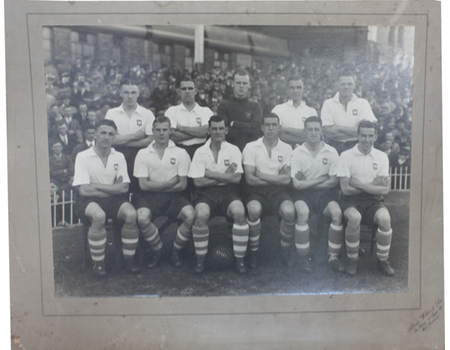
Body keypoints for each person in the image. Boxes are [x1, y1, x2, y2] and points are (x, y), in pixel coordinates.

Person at [72, 119, 140, 276]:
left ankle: (128, 259)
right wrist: (112, 189)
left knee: (131, 214)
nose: (106, 137)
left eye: (111, 134)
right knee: (98, 215)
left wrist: (95, 185)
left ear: (114, 137)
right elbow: (84, 191)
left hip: (114, 200)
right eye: (103, 133)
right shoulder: (83, 156)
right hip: (89, 201)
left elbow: (124, 187)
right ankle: (99, 263)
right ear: (95, 134)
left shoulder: (119, 156)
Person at [188, 115, 249, 274]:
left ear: (226, 130)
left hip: (228, 193)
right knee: (201, 215)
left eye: (221, 128)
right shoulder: (200, 152)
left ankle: (240, 259)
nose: (217, 132)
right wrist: (224, 176)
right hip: (205, 194)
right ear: (209, 130)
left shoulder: (234, 150)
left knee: (240, 212)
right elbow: (198, 183)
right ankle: (200, 260)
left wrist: (210, 173)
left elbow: (236, 178)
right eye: (214, 128)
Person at [133, 116, 195, 268]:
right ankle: (158, 248)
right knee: (141, 218)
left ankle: (175, 250)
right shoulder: (142, 153)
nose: (161, 133)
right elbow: (143, 186)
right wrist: (169, 183)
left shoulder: (181, 153)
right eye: (158, 130)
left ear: (170, 131)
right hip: (149, 198)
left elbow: (182, 185)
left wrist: (157, 185)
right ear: (152, 131)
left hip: (174, 197)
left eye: (165, 130)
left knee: (191, 215)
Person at [336, 120, 395, 276]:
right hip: (351, 202)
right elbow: (345, 189)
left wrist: (360, 184)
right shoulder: (346, 156)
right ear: (357, 135)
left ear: (375, 136)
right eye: (363, 135)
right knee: (354, 218)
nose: (367, 139)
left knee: (385, 219)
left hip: (373, 201)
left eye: (370, 135)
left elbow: (385, 189)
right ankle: (352, 260)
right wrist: (373, 185)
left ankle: (382, 261)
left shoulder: (382, 157)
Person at [290, 116, 344, 272]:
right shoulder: (297, 152)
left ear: (321, 131)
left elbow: (334, 181)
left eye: (316, 129)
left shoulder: (331, 151)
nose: (313, 133)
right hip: (303, 195)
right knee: (302, 212)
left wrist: (310, 182)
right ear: (304, 131)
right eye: (310, 129)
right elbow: (297, 185)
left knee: (336, 213)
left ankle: (333, 256)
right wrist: (321, 177)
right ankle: (303, 257)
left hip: (325, 194)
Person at [241, 113, 296, 268]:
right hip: (256, 192)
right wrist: (275, 178)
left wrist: (262, 174)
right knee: (253, 209)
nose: (271, 128)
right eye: (267, 125)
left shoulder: (287, 148)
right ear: (262, 127)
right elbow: (250, 179)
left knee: (289, 212)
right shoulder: (251, 147)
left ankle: (286, 251)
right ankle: (253, 251)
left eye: (274, 125)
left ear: (279, 127)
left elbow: (286, 180)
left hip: (279, 192)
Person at [104, 79, 156, 192]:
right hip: (117, 154)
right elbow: (110, 140)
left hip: (140, 156)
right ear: (120, 94)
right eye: (126, 92)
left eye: (133, 92)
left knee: (138, 190)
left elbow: (148, 141)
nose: (130, 96)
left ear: (138, 93)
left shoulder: (147, 114)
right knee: (119, 187)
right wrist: (135, 136)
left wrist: (122, 138)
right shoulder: (111, 113)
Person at [321, 72, 377, 153]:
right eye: (342, 84)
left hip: (357, 147)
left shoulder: (363, 103)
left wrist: (338, 127)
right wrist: (355, 133)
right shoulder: (328, 103)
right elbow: (327, 131)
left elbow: (365, 131)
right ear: (337, 85)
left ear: (354, 85)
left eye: (349, 84)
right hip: (335, 147)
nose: (346, 87)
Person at [165, 77, 214, 159]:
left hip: (200, 151)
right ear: (179, 91)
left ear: (196, 91)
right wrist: (198, 132)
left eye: (190, 88)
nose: (187, 92)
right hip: (177, 150)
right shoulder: (172, 111)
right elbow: (172, 135)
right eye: (184, 89)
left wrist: (180, 128)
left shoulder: (205, 111)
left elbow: (206, 132)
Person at [217, 69, 263, 151]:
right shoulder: (224, 106)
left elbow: (256, 130)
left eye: (244, 83)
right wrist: (248, 127)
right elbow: (224, 132)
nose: (241, 86)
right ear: (233, 84)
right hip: (229, 150)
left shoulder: (255, 107)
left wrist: (235, 124)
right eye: (238, 83)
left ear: (249, 85)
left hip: (251, 151)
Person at [271, 75, 318, 148]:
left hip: (304, 150)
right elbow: (276, 133)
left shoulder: (311, 112)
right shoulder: (278, 109)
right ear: (287, 90)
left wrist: (286, 130)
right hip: (282, 150)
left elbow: (312, 134)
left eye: (299, 87)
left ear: (303, 89)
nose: (295, 91)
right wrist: (302, 133)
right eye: (292, 88)